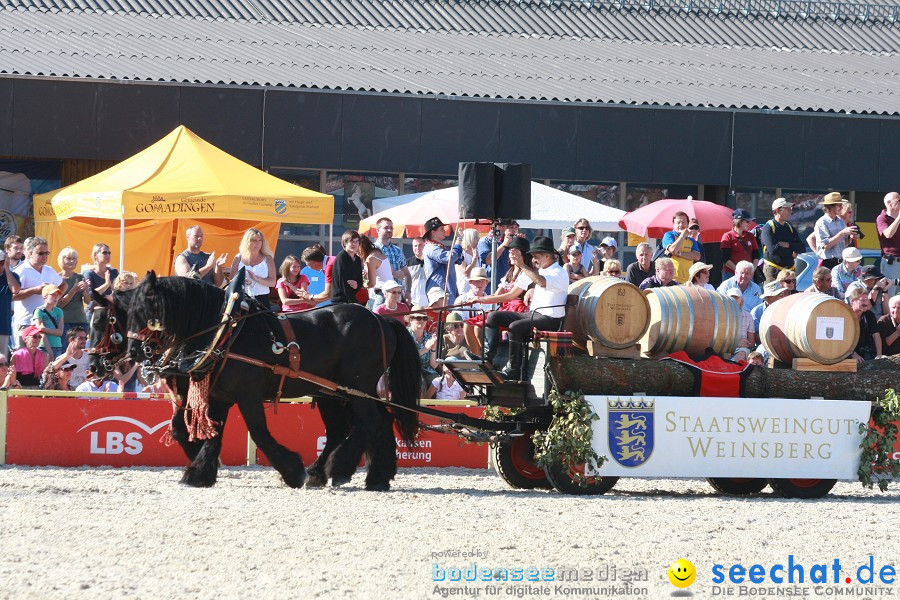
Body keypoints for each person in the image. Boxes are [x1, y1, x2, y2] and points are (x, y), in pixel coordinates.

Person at [482, 236, 567, 381]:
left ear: (548, 255)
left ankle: (514, 370)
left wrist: (523, 265)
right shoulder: (542, 271)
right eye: (532, 257)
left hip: (550, 319)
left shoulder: (558, 272)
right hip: (534, 314)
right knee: (493, 316)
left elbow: (541, 282)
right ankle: (487, 358)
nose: (534, 260)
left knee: (515, 327)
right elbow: (519, 289)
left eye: (536, 256)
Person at [12, 237, 65, 346]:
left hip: (47, 324)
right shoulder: (21, 271)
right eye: (40, 253)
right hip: (26, 322)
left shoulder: (49, 270)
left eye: (47, 253)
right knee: (24, 357)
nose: (44, 256)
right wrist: (35, 290)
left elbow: (63, 284)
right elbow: (12, 295)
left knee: (45, 358)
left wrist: (55, 298)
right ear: (30, 253)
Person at [760, 198, 805, 283]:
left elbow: (802, 247)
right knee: (772, 295)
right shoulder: (768, 227)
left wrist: (788, 245)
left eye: (790, 209)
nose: (790, 212)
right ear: (778, 210)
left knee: (791, 296)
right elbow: (774, 250)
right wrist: (792, 251)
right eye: (787, 209)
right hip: (773, 271)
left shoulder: (789, 227)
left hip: (789, 272)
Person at [423, 217, 465, 307]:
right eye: (441, 229)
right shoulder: (431, 248)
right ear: (433, 232)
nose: (444, 231)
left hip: (448, 288)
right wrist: (458, 242)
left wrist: (458, 253)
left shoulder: (437, 247)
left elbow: (457, 259)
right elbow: (450, 258)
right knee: (441, 316)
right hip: (439, 291)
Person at [230, 228, 277, 307]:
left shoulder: (268, 259)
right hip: (241, 298)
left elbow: (272, 282)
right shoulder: (238, 258)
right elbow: (232, 280)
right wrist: (242, 280)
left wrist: (256, 279)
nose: (258, 243)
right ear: (247, 242)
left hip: (262, 298)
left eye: (260, 240)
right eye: (254, 240)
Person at [813, 192, 857, 269]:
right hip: (828, 263)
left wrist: (851, 236)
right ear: (831, 206)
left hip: (841, 263)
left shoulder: (840, 221)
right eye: (839, 205)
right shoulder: (822, 222)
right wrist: (842, 233)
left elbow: (844, 243)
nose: (841, 207)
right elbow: (825, 246)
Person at [457, 267, 494, 357]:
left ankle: (484, 357)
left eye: (482, 281)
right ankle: (479, 358)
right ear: (470, 283)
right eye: (476, 281)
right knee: (472, 327)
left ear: (486, 283)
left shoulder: (492, 300)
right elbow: (457, 321)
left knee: (478, 329)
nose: (479, 284)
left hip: (488, 336)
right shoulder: (462, 299)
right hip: (464, 338)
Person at [374, 217, 412, 300]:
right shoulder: (373, 249)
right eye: (386, 227)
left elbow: (407, 274)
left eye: (391, 228)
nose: (389, 230)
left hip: (398, 294)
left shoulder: (397, 250)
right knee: (377, 313)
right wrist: (394, 273)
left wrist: (408, 291)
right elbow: (369, 272)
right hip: (380, 293)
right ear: (378, 230)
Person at [56, 247, 89, 338]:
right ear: (62, 260)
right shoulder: (57, 279)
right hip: (63, 322)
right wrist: (74, 290)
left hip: (80, 321)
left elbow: (88, 301)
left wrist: (84, 290)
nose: (72, 261)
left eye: (74, 259)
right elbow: (59, 304)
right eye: (68, 258)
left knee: (79, 351)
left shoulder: (80, 277)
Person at [661, 211, 702, 283]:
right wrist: (682, 236)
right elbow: (673, 249)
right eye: (678, 223)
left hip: (688, 280)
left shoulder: (692, 240)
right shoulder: (669, 235)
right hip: (672, 279)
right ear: (673, 224)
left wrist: (679, 254)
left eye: (683, 222)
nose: (681, 225)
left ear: (687, 224)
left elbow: (697, 256)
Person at [720, 209, 760, 281]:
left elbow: (756, 256)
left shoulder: (751, 236)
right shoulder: (727, 236)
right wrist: (738, 271)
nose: (749, 224)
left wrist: (751, 270)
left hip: (748, 275)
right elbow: (725, 259)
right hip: (731, 274)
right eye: (747, 221)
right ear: (739, 221)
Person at [478, 221, 519, 289]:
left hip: (506, 285)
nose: (504, 228)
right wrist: (504, 244)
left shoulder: (510, 243)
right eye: (501, 226)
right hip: (489, 286)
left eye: (505, 226)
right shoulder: (485, 241)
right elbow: (488, 260)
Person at [407, 306, 439, 390]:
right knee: (420, 383)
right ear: (411, 320)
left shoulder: (429, 337)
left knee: (437, 382)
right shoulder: (405, 336)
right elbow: (407, 358)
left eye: (424, 318)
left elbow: (434, 365)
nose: (421, 321)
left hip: (427, 371)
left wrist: (433, 348)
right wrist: (426, 348)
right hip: (408, 370)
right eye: (418, 318)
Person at [329, 230, 365, 305]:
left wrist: (357, 285)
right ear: (345, 243)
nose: (354, 244)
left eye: (356, 241)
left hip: (351, 298)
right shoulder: (341, 257)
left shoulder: (358, 259)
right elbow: (342, 280)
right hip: (340, 299)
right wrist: (351, 300)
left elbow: (360, 280)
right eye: (352, 241)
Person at [358, 235, 394, 309]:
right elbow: (387, 270)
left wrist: (360, 285)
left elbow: (371, 284)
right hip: (388, 290)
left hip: (382, 292)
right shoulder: (378, 252)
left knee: (376, 317)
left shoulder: (371, 259)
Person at [847, 286, 880, 362]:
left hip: (867, 352)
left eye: (866, 300)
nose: (866, 303)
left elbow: (876, 335)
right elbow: (842, 338)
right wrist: (853, 353)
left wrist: (879, 355)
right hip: (848, 353)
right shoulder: (846, 316)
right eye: (862, 300)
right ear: (853, 301)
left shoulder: (869, 315)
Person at [876, 192, 900, 297]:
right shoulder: (882, 218)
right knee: (890, 295)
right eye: (898, 200)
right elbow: (888, 234)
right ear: (889, 203)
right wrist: (899, 218)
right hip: (892, 263)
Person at [33, 284, 64, 359]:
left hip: (57, 345)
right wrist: (49, 350)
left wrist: (45, 329)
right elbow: (40, 332)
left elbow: (60, 332)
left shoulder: (59, 311)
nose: (56, 297)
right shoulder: (39, 311)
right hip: (43, 347)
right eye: (53, 294)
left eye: (57, 295)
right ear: (45, 296)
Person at [83, 242, 118, 309]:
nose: (108, 255)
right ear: (96, 255)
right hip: (95, 312)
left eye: (109, 253)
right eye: (104, 252)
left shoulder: (114, 272)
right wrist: (106, 284)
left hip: (112, 311)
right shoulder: (89, 274)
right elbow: (90, 296)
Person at [0, 249, 21, 357]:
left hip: (3, 326)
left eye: (2, 262)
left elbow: (15, 289)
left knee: (2, 361)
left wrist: (7, 268)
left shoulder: (12, 276)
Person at [725, 288, 754, 362]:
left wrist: (746, 344)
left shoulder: (748, 316)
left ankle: (730, 367)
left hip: (742, 349)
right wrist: (737, 343)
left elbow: (752, 343)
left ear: (741, 301)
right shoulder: (722, 315)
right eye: (731, 298)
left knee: (742, 353)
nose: (733, 300)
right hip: (725, 348)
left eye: (736, 298)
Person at [456, 228, 481, 296]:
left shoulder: (475, 252)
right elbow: (466, 273)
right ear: (469, 239)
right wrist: (474, 259)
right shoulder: (461, 253)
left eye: (478, 237)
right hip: (464, 291)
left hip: (475, 290)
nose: (478, 239)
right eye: (475, 237)